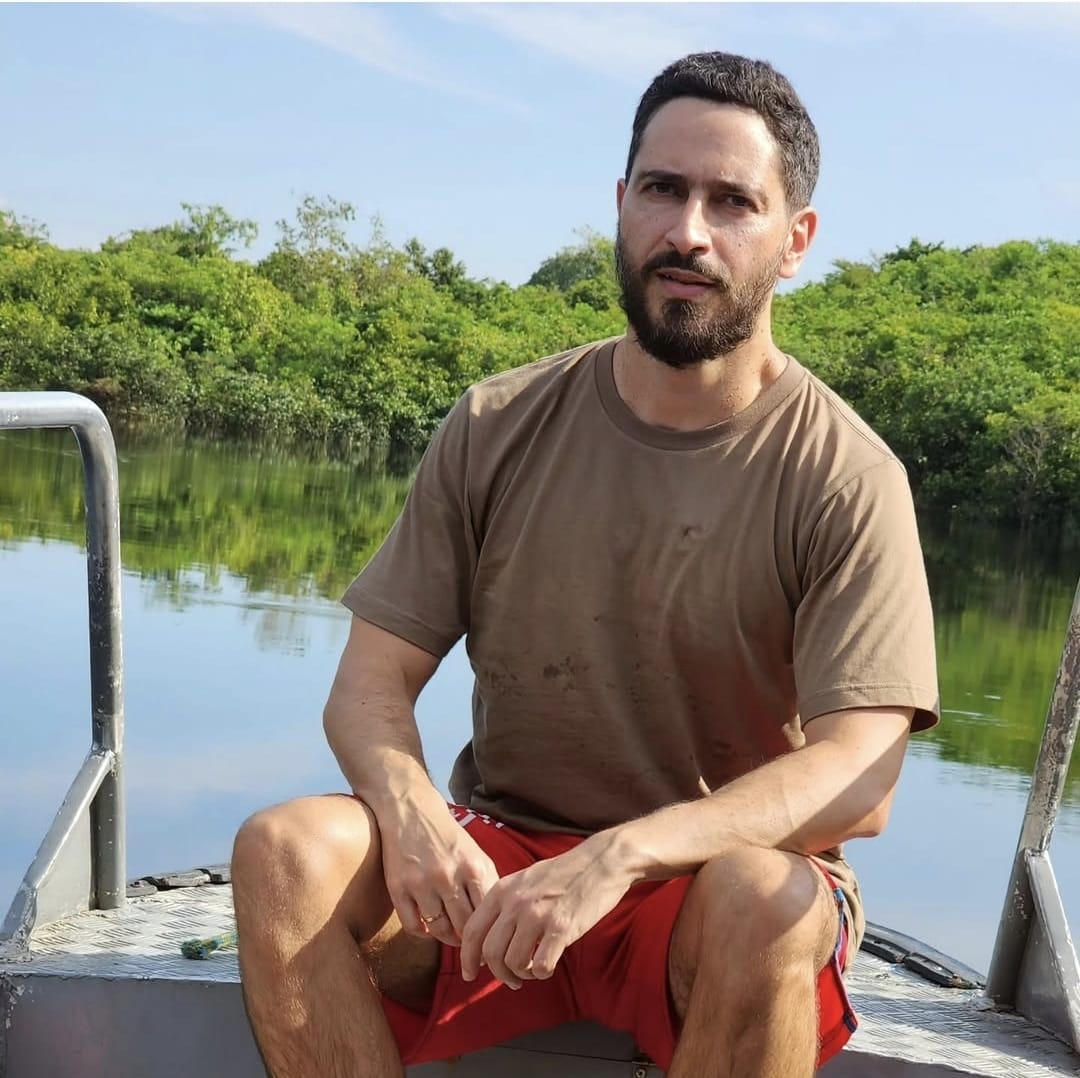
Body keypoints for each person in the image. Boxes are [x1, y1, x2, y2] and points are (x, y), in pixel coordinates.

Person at [232, 50, 940, 1078]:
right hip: (496, 864)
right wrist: (415, 817)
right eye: (662, 189)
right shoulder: (497, 422)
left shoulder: (845, 475)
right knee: (283, 853)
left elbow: (860, 778)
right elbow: (369, 686)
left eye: (732, 202)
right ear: (620, 204)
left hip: (703, 885)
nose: (687, 231)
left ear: (795, 241)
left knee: (769, 902)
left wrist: (622, 854)